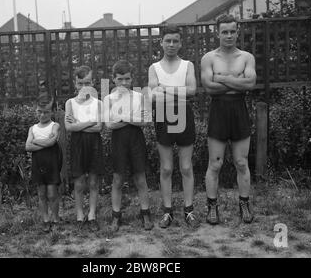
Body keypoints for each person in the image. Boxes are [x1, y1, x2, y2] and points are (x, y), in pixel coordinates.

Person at [201, 14, 256, 225]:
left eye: (232, 31)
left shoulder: (246, 57)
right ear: (218, 33)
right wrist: (236, 81)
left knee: (241, 162)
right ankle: (212, 207)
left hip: (239, 109)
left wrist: (222, 78)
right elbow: (209, 87)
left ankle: (244, 204)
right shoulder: (209, 58)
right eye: (225, 31)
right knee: (215, 163)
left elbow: (250, 83)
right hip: (219, 110)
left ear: (238, 31)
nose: (229, 35)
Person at [148, 24, 198, 228]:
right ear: (161, 42)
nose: (171, 44)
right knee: (167, 168)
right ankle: (167, 211)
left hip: (184, 112)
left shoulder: (188, 65)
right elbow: (153, 94)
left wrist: (165, 88)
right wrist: (177, 90)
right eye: (167, 40)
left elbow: (192, 90)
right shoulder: (154, 68)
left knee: (186, 167)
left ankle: (189, 210)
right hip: (162, 114)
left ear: (180, 43)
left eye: (175, 40)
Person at [103, 60, 154, 232]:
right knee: (117, 179)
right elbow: (109, 125)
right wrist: (132, 118)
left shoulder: (140, 97)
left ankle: (145, 213)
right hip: (118, 141)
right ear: (113, 79)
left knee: (140, 178)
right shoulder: (108, 98)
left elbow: (146, 121)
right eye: (120, 79)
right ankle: (116, 216)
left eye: (127, 79)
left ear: (132, 79)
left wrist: (123, 118)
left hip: (136, 140)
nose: (124, 82)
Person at [64, 65, 104, 232]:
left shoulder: (98, 103)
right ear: (75, 83)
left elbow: (99, 127)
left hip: (94, 143)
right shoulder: (70, 103)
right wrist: (89, 122)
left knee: (94, 181)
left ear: (93, 83)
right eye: (80, 83)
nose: (83, 87)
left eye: (87, 83)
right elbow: (69, 128)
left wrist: (79, 124)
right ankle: (80, 215)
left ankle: (92, 215)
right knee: (79, 183)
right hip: (77, 144)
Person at [25, 93, 62, 233]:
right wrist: (45, 143)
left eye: (46, 112)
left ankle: (56, 219)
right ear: (35, 111)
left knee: (52, 194)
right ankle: (46, 220)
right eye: (39, 112)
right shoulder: (32, 129)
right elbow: (27, 147)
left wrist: (35, 141)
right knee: (41, 194)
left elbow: (52, 142)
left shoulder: (55, 126)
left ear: (51, 112)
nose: (42, 115)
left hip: (52, 163)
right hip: (38, 164)